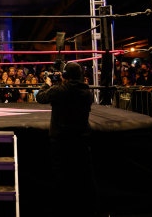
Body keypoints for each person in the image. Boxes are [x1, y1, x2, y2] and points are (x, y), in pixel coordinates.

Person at [36, 62, 95, 216]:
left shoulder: (60, 90)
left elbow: (40, 97)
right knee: (82, 173)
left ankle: (62, 207)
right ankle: (85, 206)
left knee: (61, 174)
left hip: (61, 138)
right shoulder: (87, 92)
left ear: (65, 75)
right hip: (81, 137)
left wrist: (47, 83)